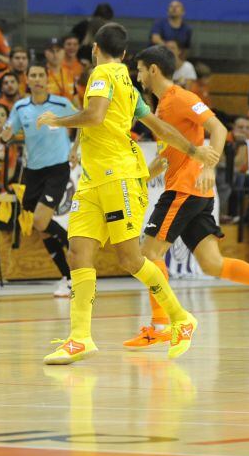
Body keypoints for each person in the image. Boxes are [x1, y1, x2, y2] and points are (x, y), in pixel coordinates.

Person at [35, 22, 219, 365]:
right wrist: (194, 151)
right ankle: (80, 338)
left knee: (131, 259)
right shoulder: (130, 86)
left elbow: (94, 115)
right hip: (92, 179)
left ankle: (180, 317)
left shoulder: (103, 74)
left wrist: (57, 122)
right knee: (78, 253)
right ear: (123, 53)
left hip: (118, 177)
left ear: (94, 50)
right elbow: (158, 127)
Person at [127, 44, 249, 349]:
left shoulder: (181, 98)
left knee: (148, 254)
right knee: (212, 264)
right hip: (191, 191)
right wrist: (141, 177)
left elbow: (218, 129)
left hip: (185, 189)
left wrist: (209, 164)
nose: (138, 75)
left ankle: (160, 325)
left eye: (140, 69)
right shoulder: (162, 106)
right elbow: (169, 156)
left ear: (153, 69)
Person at [3, 61, 76, 294]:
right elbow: (7, 132)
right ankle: (69, 277)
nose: (36, 78)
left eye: (40, 74)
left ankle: (77, 249)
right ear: (26, 79)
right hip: (33, 171)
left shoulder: (61, 104)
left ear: (47, 79)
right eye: (32, 74)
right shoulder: (20, 107)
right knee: (42, 228)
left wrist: (75, 149)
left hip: (58, 167)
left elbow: (84, 122)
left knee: (40, 221)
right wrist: (3, 134)